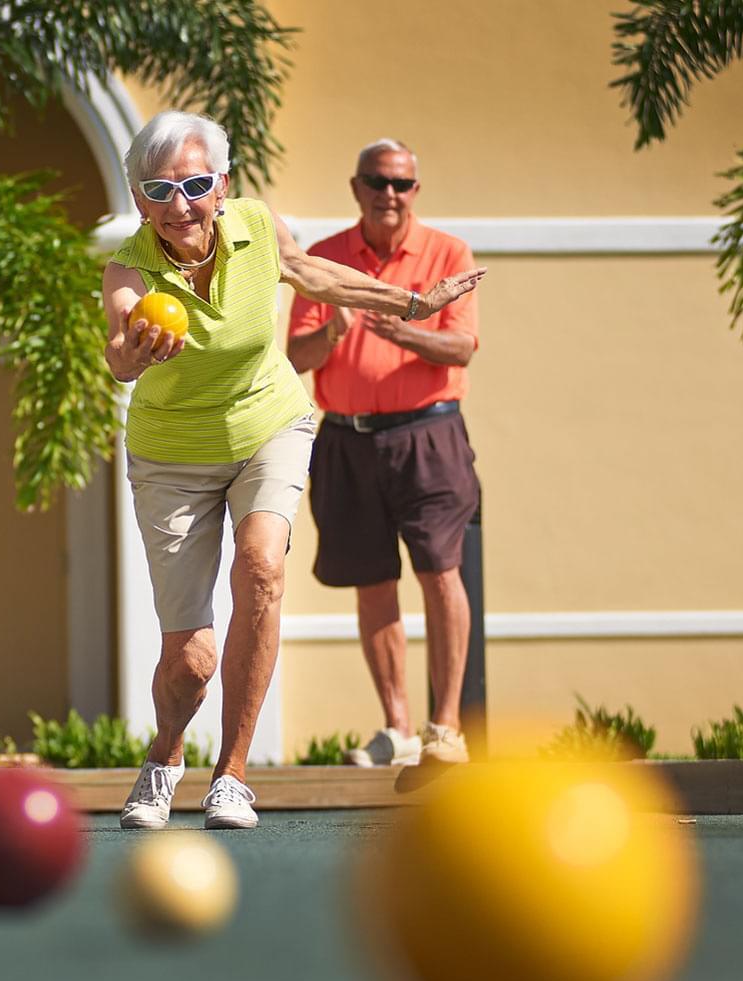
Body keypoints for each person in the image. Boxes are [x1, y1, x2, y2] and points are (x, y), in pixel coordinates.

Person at [103, 112, 485, 829]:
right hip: (172, 455)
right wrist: (137, 352)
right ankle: (165, 755)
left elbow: (312, 272)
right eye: (159, 188)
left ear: (220, 186)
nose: (179, 204)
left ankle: (233, 775)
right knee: (190, 660)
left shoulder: (253, 225)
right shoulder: (129, 266)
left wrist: (411, 300)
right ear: (138, 196)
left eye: (194, 184)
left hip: (267, 426)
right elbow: (120, 347)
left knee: (261, 568)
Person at [287, 138, 483, 769]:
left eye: (400, 183)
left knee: (440, 571)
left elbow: (462, 348)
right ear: (356, 188)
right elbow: (297, 358)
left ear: (415, 191)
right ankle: (397, 728)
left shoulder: (448, 254)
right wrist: (335, 325)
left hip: (428, 434)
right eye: (376, 181)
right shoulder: (324, 260)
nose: (388, 194)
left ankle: (445, 728)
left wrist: (408, 331)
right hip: (345, 439)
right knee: (371, 584)